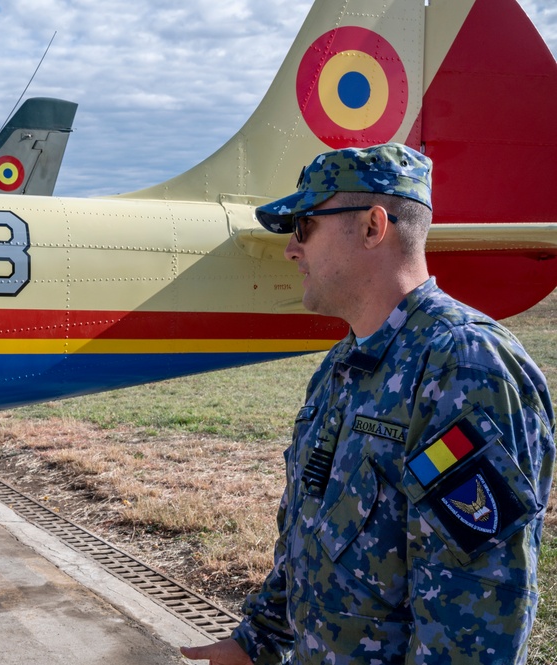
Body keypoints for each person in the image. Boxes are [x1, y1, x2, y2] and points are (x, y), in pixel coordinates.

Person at [181, 143, 554, 663]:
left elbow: (477, 615)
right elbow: (310, 534)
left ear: (373, 227)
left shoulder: (463, 367)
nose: (292, 249)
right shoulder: (343, 365)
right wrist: (255, 643)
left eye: (305, 225)